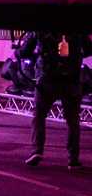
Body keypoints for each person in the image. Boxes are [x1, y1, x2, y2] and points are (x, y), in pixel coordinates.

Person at [19, 31, 91, 169]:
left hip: (46, 79)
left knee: (39, 116)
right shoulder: (77, 25)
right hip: (71, 79)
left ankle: (37, 150)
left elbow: (25, 51)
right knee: (73, 120)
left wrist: (34, 54)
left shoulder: (40, 26)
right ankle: (73, 159)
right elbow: (89, 49)